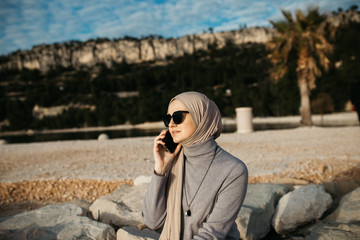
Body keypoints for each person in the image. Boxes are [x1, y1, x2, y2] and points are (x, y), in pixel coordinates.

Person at [142, 91, 248, 239]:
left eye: (178, 117)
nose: (172, 124)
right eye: (168, 119)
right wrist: (160, 170)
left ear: (201, 117)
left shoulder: (234, 170)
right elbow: (152, 221)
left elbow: (212, 234)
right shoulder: (173, 162)